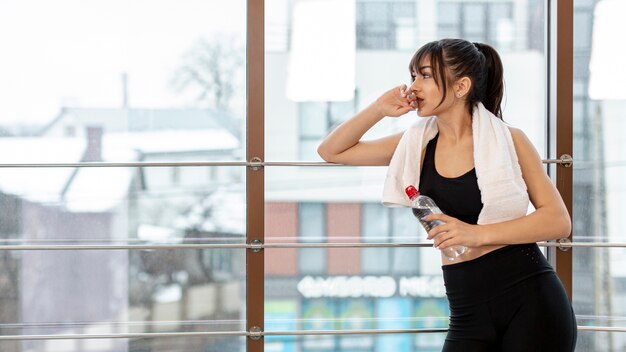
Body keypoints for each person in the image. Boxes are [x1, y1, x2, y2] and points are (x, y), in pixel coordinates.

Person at [317, 39, 577, 351]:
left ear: (461, 86)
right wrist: (378, 109)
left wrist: (476, 234)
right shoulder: (417, 143)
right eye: (413, 75)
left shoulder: (510, 140)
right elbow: (331, 151)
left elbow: (558, 221)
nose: (413, 86)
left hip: (531, 301)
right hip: (467, 311)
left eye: (424, 76)